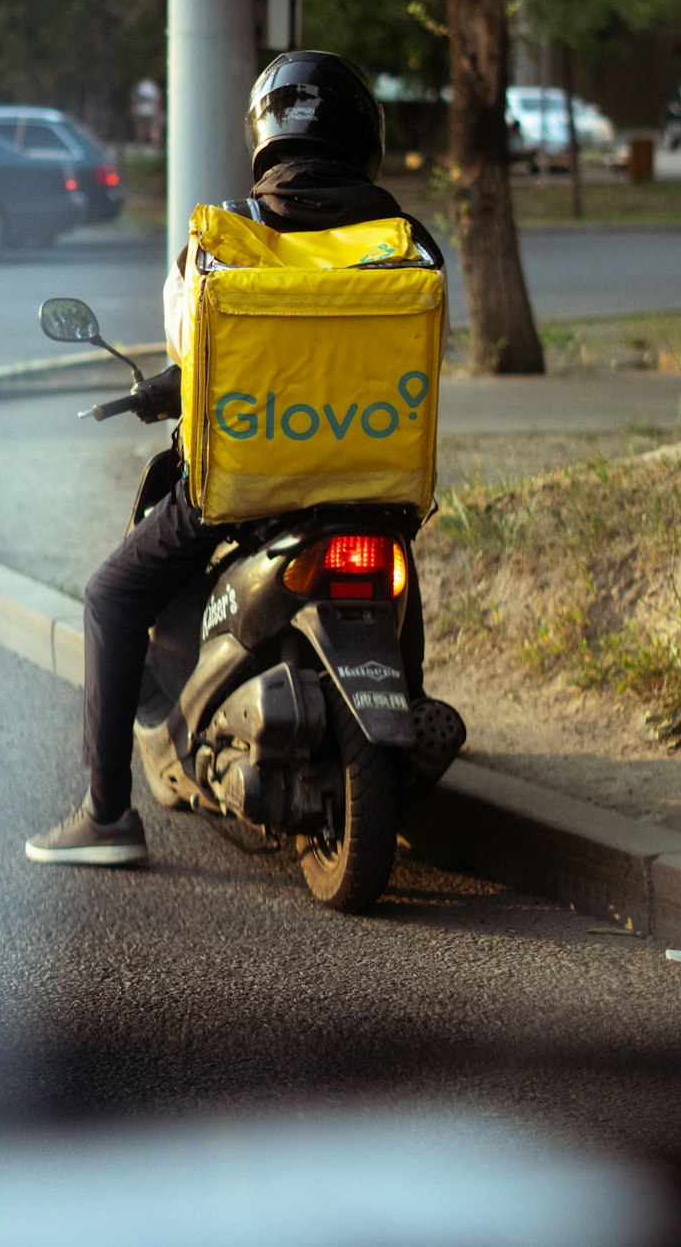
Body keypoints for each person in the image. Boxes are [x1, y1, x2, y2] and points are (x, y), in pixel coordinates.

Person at [26, 51, 457, 867]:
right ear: (363, 136)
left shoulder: (221, 237)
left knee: (111, 596)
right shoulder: (410, 243)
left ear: (265, 135)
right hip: (376, 486)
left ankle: (107, 815)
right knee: (396, 561)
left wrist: (161, 389)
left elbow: (199, 363)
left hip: (246, 493)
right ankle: (409, 700)